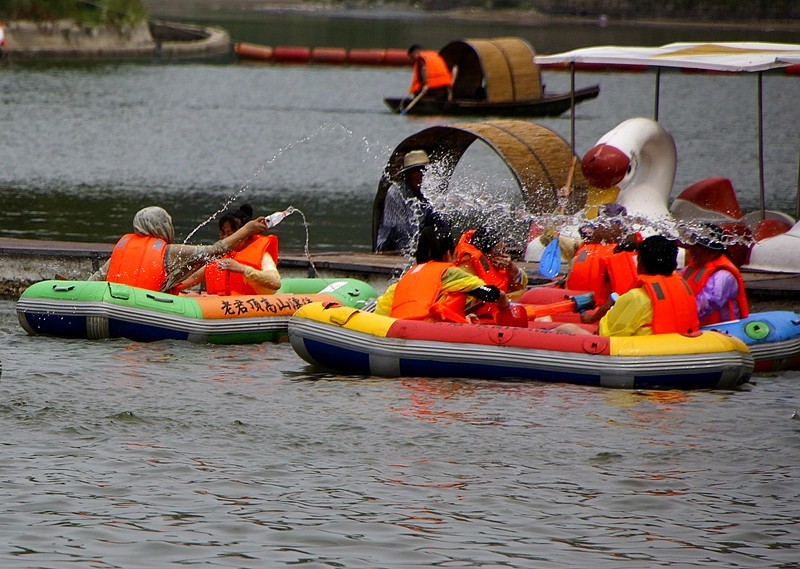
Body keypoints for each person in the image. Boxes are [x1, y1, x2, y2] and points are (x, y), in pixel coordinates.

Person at [88, 206, 268, 294]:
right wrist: (248, 229)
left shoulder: (125, 248)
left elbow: (96, 279)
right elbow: (216, 250)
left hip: (120, 307)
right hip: (148, 312)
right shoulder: (170, 251)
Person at [558, 235, 699, 337]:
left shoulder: (636, 297)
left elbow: (607, 334)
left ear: (640, 263)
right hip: (678, 348)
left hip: (639, 354)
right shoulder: (684, 287)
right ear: (675, 265)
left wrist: (606, 311)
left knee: (567, 328)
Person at [375, 226, 509, 324]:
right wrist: (501, 299)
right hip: (430, 333)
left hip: (398, 331)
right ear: (448, 254)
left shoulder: (405, 279)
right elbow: (487, 293)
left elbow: (381, 312)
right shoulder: (449, 274)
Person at [178, 205, 282, 295]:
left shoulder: (262, 255)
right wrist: (172, 288)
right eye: (223, 233)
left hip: (249, 307)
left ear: (245, 235)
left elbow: (276, 282)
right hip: (219, 308)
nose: (225, 238)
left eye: (230, 233)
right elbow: (194, 277)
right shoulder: (222, 255)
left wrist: (243, 269)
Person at [375, 149, 451, 256]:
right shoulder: (396, 192)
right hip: (390, 244)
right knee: (401, 231)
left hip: (417, 241)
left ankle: (447, 256)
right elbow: (400, 230)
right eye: (416, 171)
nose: (421, 175)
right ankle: (409, 262)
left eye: (424, 170)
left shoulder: (429, 191)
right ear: (407, 175)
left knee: (441, 220)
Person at [563, 202, 639, 305]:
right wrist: (561, 206)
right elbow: (547, 238)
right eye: (603, 224)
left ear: (622, 228)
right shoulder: (580, 245)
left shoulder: (631, 251)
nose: (606, 229)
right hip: (575, 303)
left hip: (603, 308)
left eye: (613, 223)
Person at [681, 223, 749, 325]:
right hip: (696, 326)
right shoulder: (690, 268)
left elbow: (708, 303)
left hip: (721, 329)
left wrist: (679, 317)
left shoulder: (723, 275)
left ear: (710, 250)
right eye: (692, 245)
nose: (691, 251)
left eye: (697, 247)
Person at [454, 226, 528, 296]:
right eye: (498, 253)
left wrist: (512, 268)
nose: (503, 256)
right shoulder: (466, 267)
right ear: (483, 254)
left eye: (503, 251)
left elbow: (519, 287)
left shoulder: (504, 266)